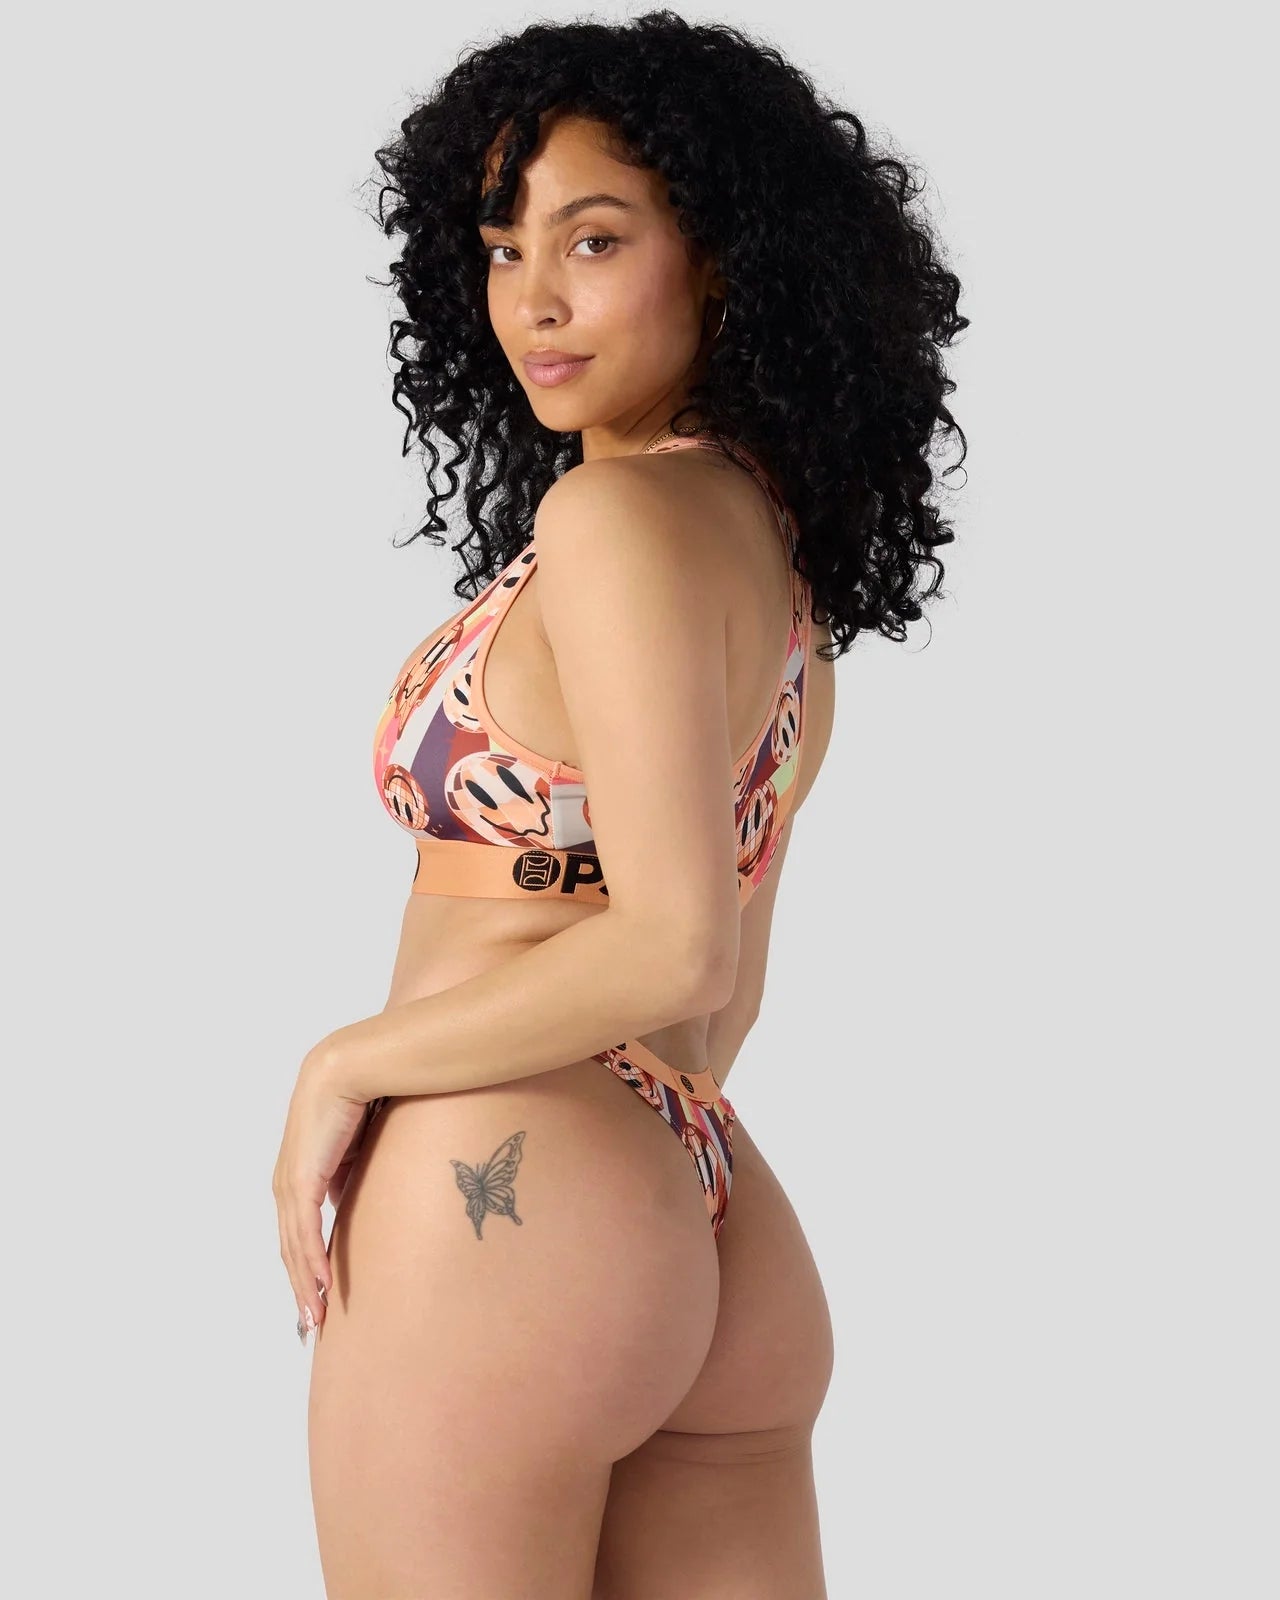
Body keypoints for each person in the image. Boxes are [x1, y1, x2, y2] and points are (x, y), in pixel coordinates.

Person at [271, 12, 967, 1597]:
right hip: (706, 1201)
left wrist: (345, 1065)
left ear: (721, 257)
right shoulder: (774, 578)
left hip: (503, 1190)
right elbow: (719, 1000)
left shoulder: (612, 519)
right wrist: (636, 1198)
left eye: (594, 239)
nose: (535, 298)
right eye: (502, 247)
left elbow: (674, 945)